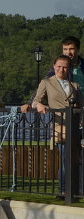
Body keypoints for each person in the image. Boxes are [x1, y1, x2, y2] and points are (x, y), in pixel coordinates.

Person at [22, 55, 81, 198]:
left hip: (76, 126)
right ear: (54, 66)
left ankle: (75, 190)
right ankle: (63, 190)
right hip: (59, 127)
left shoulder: (75, 85)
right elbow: (36, 100)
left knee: (76, 160)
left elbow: (81, 105)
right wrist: (39, 105)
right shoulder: (47, 82)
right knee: (65, 159)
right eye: (59, 66)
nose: (62, 69)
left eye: (65, 67)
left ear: (69, 68)